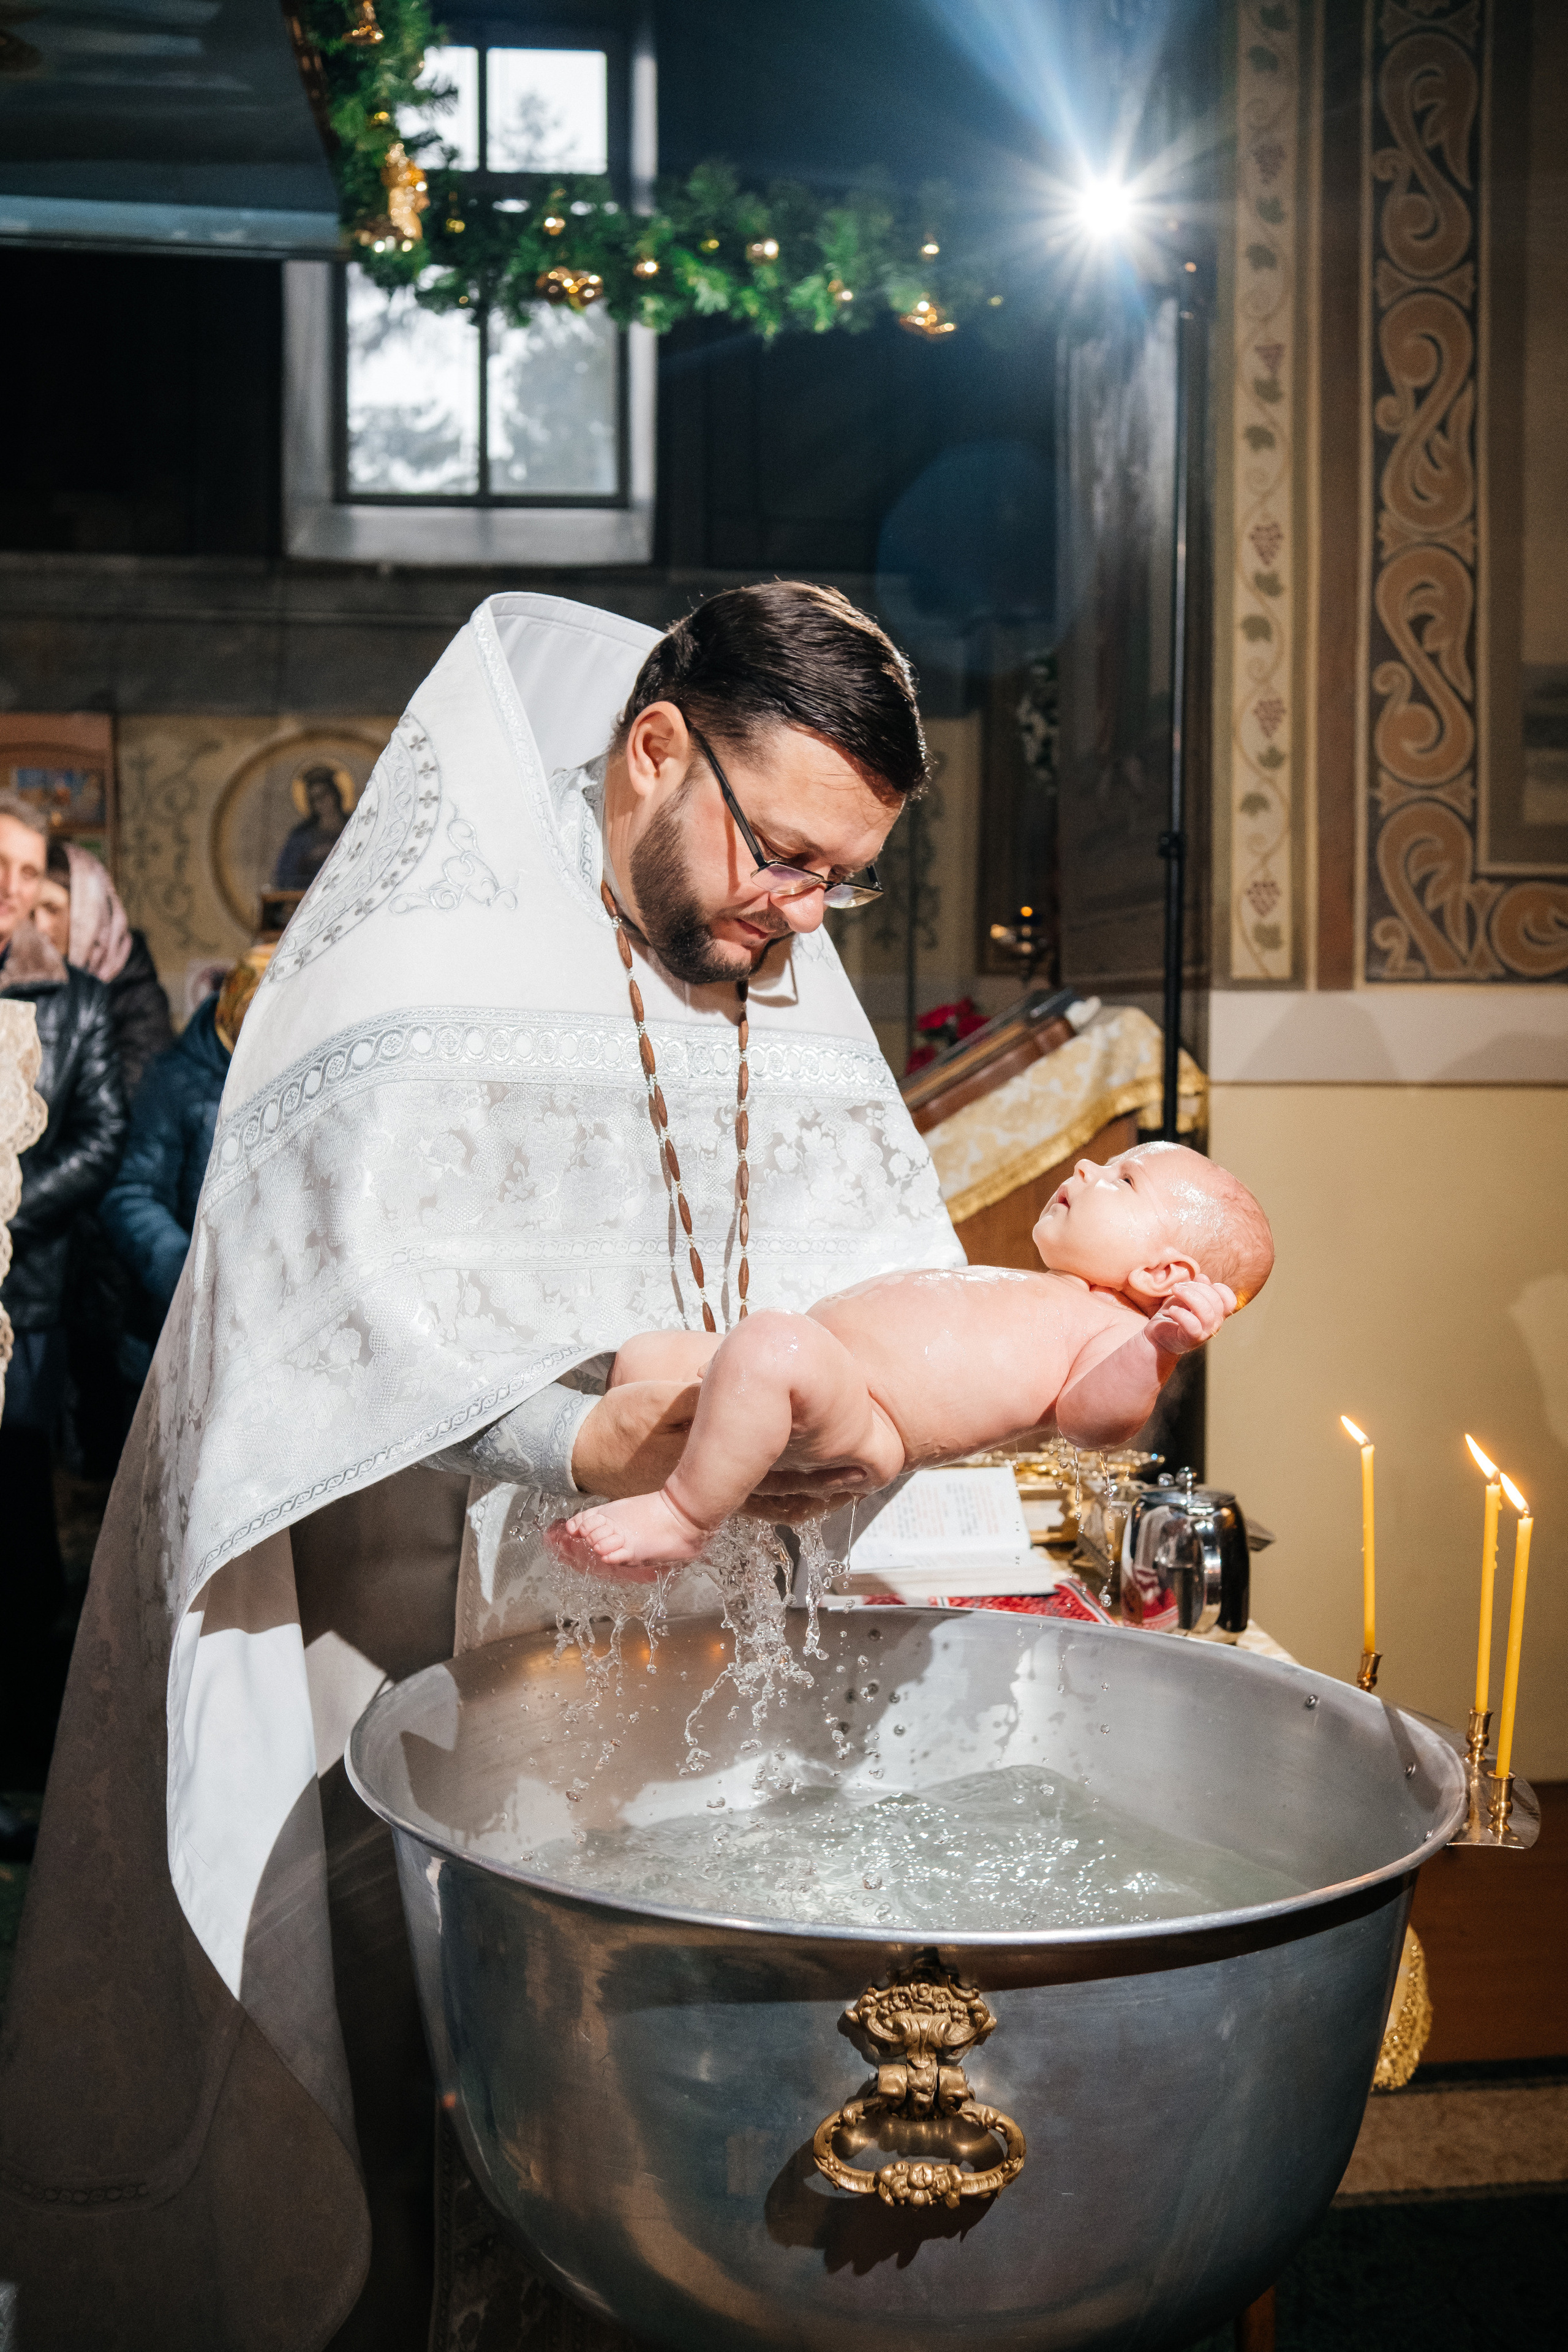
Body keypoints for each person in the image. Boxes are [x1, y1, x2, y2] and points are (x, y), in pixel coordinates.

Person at [0, 587, 964, 2352]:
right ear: (657, 752)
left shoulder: (783, 968)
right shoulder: (418, 957)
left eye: (847, 878)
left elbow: (877, 1263)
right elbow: (315, 1312)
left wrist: (885, 1413)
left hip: (698, 1691)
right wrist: (575, 1431)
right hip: (406, 1641)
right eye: (786, 858)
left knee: (682, 2160)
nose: (808, 915)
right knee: (408, 2133)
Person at [556, 1142, 1272, 1574]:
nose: (1088, 1166)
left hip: (868, 1419)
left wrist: (1158, 1349)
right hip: (830, 1369)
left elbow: (1093, 1423)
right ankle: (644, 1532)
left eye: (1122, 1181)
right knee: (650, 1356)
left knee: (772, 1343)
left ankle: (682, 1522)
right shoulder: (1053, 1290)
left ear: (1162, 1277)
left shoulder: (1114, 1336)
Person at [0, 791, 127, 1785]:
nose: (15, 887)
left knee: (18, 1545)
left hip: (24, 1306)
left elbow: (97, 1140)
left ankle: (19, 1765)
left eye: (30, 868)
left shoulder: (77, 1002)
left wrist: (7, 1201)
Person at [33, 838, 173, 1476]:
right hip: (53, 1238)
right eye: (29, 909)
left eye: (53, 909)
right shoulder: (37, 985)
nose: (39, 925)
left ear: (89, 912)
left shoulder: (126, 990)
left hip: (104, 1238)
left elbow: (111, 1124)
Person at [99, 950, 268, 1352]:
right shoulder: (177, 1080)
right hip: (178, 1323)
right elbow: (133, 1193)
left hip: (263, 1322)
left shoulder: (301, 1077)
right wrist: (186, 1273)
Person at [271, 761, 351, 890]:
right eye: (314, 798)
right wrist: (309, 858)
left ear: (335, 793)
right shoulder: (302, 834)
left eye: (324, 794)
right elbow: (284, 875)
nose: (321, 802)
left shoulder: (354, 825)